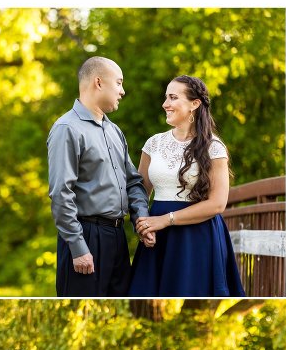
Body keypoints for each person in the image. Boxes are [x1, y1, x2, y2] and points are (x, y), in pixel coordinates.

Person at [128, 75, 245, 297]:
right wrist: (141, 225)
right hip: (157, 238)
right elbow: (139, 193)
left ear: (195, 104)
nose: (165, 104)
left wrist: (165, 220)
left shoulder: (214, 147)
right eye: (165, 98)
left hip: (197, 238)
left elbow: (218, 204)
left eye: (173, 97)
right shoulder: (153, 143)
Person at [48, 56, 151, 297]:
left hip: (117, 238)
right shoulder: (67, 129)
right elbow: (61, 193)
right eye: (119, 83)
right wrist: (78, 247)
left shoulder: (114, 131)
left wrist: (142, 219)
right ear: (98, 82)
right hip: (84, 237)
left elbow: (134, 182)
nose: (123, 91)